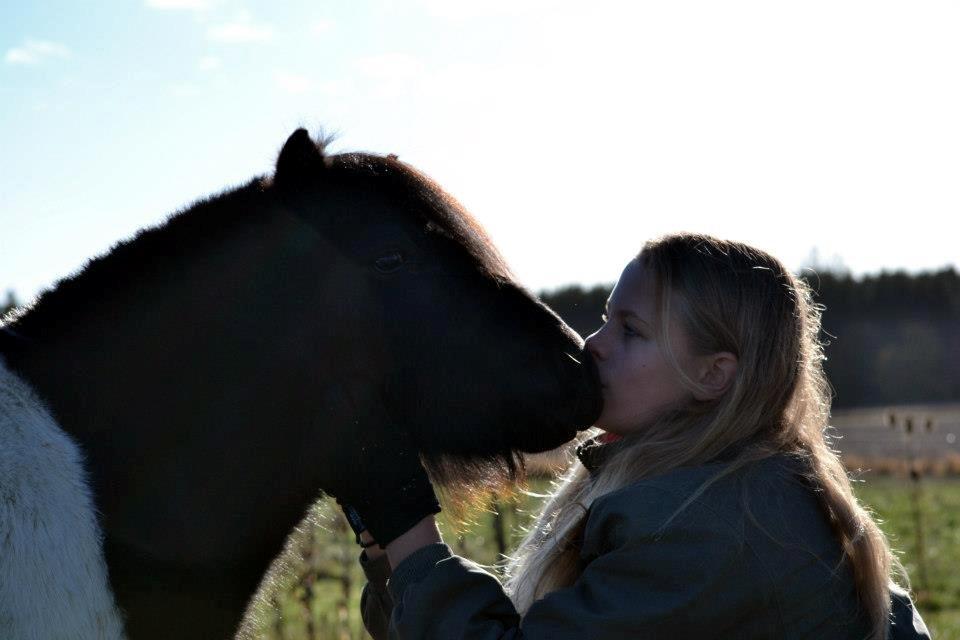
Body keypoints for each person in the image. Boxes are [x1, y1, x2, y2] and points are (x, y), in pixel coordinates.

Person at [331, 233, 931, 639]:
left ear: (712, 374)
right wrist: (394, 558)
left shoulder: (716, 530)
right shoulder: (729, 490)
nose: (594, 344)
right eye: (604, 319)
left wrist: (411, 531)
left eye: (632, 330)